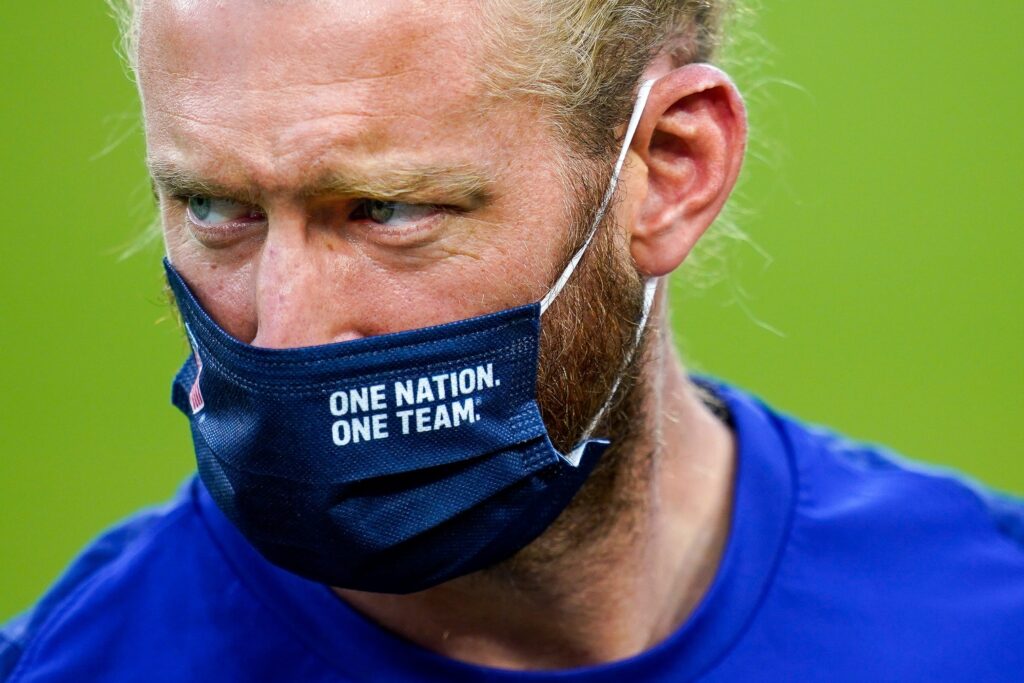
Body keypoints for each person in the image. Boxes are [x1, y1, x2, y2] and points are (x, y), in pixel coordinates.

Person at [3, 1, 1022, 680]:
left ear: (668, 169)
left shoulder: (984, 623)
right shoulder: (84, 661)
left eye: (385, 210)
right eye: (217, 207)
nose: (286, 326)